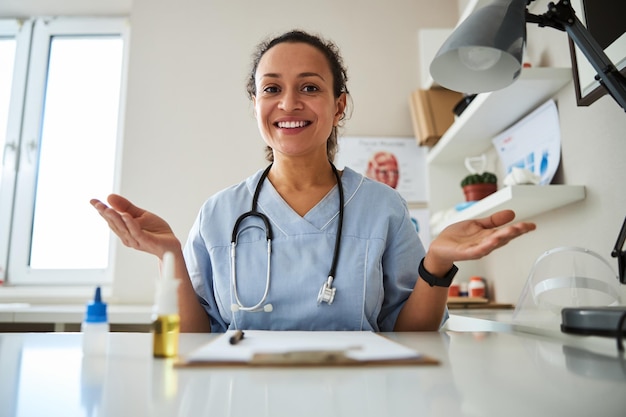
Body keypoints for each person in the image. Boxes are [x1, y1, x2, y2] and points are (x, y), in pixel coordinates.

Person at [91, 30, 536, 333]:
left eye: (309, 87)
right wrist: (168, 254)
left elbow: (410, 335)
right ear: (255, 105)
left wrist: (437, 262)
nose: (288, 103)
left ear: (339, 105)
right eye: (271, 89)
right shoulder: (219, 213)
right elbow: (195, 337)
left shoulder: (383, 207)